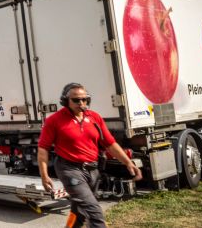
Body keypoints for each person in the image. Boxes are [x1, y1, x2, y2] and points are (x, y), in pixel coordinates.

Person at [38, 83, 142, 228]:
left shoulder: (94, 118)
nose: (81, 103)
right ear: (65, 101)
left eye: (84, 99)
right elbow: (43, 149)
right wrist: (44, 175)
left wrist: (128, 163)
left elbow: (110, 144)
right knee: (94, 212)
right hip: (69, 169)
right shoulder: (54, 121)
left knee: (80, 210)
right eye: (75, 100)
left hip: (93, 169)